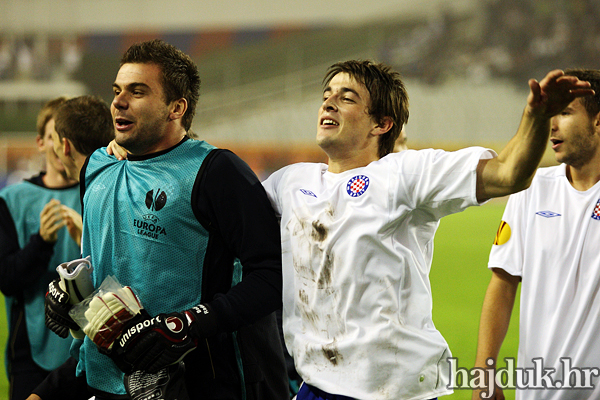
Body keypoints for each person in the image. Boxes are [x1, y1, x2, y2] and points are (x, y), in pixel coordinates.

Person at [259, 60, 593, 400]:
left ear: (382, 124)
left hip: (394, 392)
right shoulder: (289, 182)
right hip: (316, 387)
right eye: (327, 95)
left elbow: (509, 173)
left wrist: (535, 117)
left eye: (347, 97)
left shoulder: (404, 174)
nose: (329, 103)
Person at [45, 39, 288, 400]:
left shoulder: (216, 171)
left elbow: (271, 275)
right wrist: (71, 296)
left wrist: (187, 324)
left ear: (176, 107)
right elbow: (107, 262)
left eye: (137, 91)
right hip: (108, 382)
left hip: (197, 384)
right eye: (117, 90)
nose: (118, 102)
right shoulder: (98, 166)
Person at [472, 68, 600, 400]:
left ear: (598, 122)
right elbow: (502, 282)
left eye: (565, 112)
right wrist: (485, 370)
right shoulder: (532, 189)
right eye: (550, 114)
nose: (552, 124)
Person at [0, 97, 82, 400]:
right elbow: (6, 279)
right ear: (40, 143)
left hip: (90, 349)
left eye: (68, 137)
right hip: (31, 352)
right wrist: (42, 242)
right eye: (54, 137)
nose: (62, 146)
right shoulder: (13, 200)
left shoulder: (98, 194)